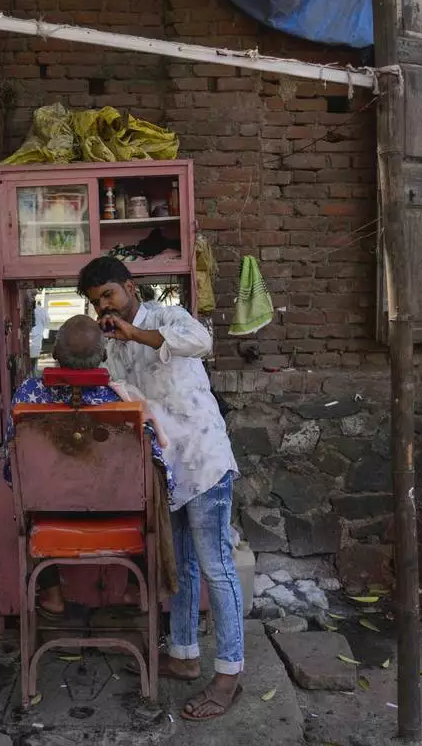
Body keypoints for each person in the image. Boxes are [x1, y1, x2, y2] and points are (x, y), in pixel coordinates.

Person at [77, 256, 244, 722]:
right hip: (166, 469)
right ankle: (184, 655)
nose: (104, 307)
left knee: (216, 567)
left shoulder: (169, 317)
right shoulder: (113, 348)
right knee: (182, 567)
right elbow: (122, 397)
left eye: (108, 295)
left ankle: (229, 674)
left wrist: (136, 334)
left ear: (130, 287)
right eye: (96, 303)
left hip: (203, 460)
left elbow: (202, 342)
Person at [3, 314, 173, 617]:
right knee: (148, 495)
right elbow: (155, 467)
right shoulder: (121, 401)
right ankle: (134, 589)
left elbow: (11, 467)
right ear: (103, 356)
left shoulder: (28, 396)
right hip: (116, 513)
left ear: (56, 354)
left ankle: (52, 594)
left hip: (50, 514)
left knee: (28, 506)